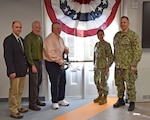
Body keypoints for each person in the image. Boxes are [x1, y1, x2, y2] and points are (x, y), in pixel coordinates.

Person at [113, 16, 142, 111]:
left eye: (124, 22)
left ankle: (132, 101)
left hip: (129, 66)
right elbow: (115, 50)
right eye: (121, 22)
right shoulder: (117, 36)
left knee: (130, 85)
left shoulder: (133, 35)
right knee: (119, 84)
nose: (122, 24)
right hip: (118, 66)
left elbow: (137, 51)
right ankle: (121, 99)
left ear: (128, 23)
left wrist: (134, 64)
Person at [3, 21, 28, 119]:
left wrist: (26, 68)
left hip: (22, 70)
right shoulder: (8, 40)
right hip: (14, 71)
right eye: (17, 27)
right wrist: (11, 71)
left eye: (20, 27)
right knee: (14, 92)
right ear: (12, 28)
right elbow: (8, 57)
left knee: (20, 91)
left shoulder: (21, 40)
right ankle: (13, 110)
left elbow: (23, 56)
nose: (19, 29)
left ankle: (18, 106)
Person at [43, 22, 69, 110]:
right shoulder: (49, 39)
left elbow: (63, 47)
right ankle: (55, 101)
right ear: (53, 29)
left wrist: (65, 49)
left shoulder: (60, 39)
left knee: (63, 81)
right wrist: (60, 61)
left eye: (60, 28)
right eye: (57, 28)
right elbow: (51, 54)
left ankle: (61, 99)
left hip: (60, 62)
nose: (60, 30)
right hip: (52, 63)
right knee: (55, 83)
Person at [24, 21, 46, 111]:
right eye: (36, 27)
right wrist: (31, 65)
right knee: (33, 84)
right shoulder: (28, 38)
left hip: (40, 62)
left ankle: (36, 100)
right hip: (33, 63)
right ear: (32, 27)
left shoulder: (40, 38)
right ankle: (32, 104)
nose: (38, 29)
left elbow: (42, 50)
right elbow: (28, 53)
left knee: (38, 82)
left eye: (39, 28)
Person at [93, 29, 113, 105]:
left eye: (101, 34)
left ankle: (105, 97)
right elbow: (95, 56)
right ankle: (100, 95)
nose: (100, 36)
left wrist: (108, 66)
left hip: (104, 67)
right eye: (98, 35)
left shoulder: (107, 45)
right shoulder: (96, 44)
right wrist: (94, 65)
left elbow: (111, 57)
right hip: (97, 67)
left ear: (103, 35)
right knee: (96, 81)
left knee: (103, 82)